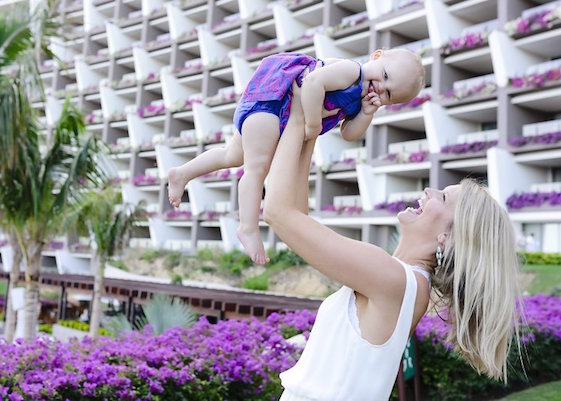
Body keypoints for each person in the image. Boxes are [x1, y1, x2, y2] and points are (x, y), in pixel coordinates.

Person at [262, 81, 522, 400]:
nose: (428, 191)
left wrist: (302, 115)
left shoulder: (393, 279)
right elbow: (295, 214)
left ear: (448, 238)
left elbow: (277, 212)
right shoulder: (406, 283)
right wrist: (310, 130)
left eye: (442, 196)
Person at [168, 49, 425, 264]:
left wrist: (367, 113)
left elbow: (348, 133)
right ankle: (247, 226)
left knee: (232, 155)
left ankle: (183, 173)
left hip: (276, 113)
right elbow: (313, 84)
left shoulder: (359, 101)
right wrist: (312, 126)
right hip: (272, 100)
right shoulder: (351, 71)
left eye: (388, 93)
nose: (380, 87)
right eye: (385, 75)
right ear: (377, 55)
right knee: (257, 168)